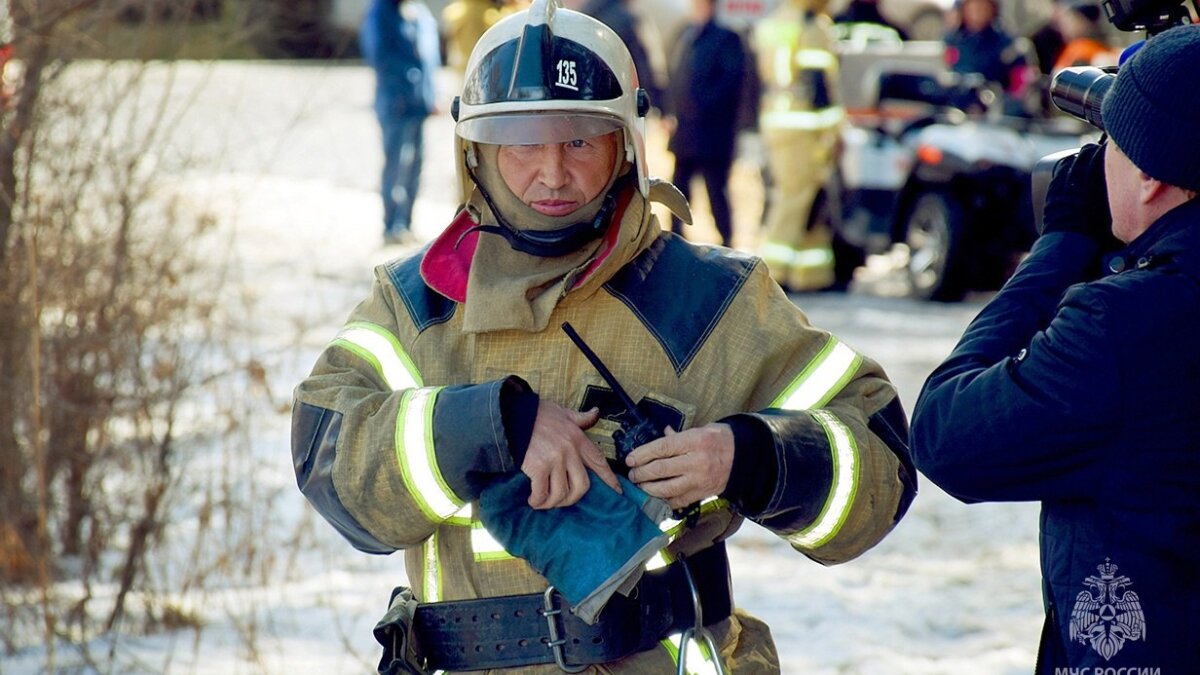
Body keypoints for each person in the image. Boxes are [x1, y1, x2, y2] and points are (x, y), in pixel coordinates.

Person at [292, 1, 917, 672]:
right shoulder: (420, 303)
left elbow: (880, 461)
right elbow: (326, 456)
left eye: (581, 141)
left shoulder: (704, 300)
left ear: (627, 144)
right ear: (475, 150)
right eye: (524, 143)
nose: (554, 173)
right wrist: (484, 426)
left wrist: (751, 456)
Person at [910, 24, 1200, 673]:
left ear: (1151, 175)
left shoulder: (1128, 320)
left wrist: (1061, 244)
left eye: (1112, 146)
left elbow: (946, 435)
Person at [754, 0, 848, 292]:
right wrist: (834, 128)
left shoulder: (778, 20)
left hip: (779, 120)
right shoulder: (813, 26)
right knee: (796, 197)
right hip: (804, 126)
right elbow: (818, 86)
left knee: (809, 197)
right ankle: (774, 275)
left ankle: (812, 274)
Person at [666, 0, 747, 248]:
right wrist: (674, 112)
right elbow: (677, 79)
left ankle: (727, 241)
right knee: (677, 190)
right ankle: (675, 239)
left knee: (716, 191)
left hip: (712, 134)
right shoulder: (687, 36)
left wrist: (700, 106)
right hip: (686, 132)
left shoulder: (726, 38)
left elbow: (730, 84)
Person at [360, 0, 441, 247]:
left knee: (416, 166)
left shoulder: (420, 13)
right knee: (397, 164)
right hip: (395, 103)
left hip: (420, 104)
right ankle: (391, 226)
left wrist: (431, 94)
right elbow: (380, 56)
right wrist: (407, 86)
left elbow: (430, 59)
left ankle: (406, 223)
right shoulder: (380, 12)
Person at [579, 0, 664, 115]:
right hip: (626, 109)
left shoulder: (583, 16)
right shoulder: (630, 21)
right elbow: (648, 71)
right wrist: (660, 107)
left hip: (590, 109)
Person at [942, 0, 1035, 103]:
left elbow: (1021, 86)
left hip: (995, 105)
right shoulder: (951, 42)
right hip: (957, 105)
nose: (978, 11)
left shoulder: (1007, 44)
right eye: (973, 7)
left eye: (983, 6)